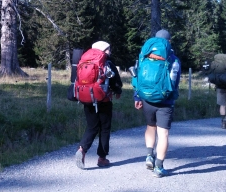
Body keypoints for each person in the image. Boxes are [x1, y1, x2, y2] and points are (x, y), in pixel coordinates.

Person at [133, 29, 181, 178]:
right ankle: (159, 167)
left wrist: (137, 97)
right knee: (163, 133)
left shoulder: (144, 56)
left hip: (146, 98)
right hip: (165, 101)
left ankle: (149, 155)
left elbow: (138, 77)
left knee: (150, 127)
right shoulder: (173, 59)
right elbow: (174, 83)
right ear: (169, 42)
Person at [74, 41, 123, 169]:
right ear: (103, 49)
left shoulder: (83, 60)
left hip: (87, 97)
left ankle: (82, 149)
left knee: (92, 127)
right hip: (104, 99)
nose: (110, 51)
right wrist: (118, 91)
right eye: (108, 49)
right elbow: (115, 81)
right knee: (105, 128)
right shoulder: (106, 61)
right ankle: (102, 158)